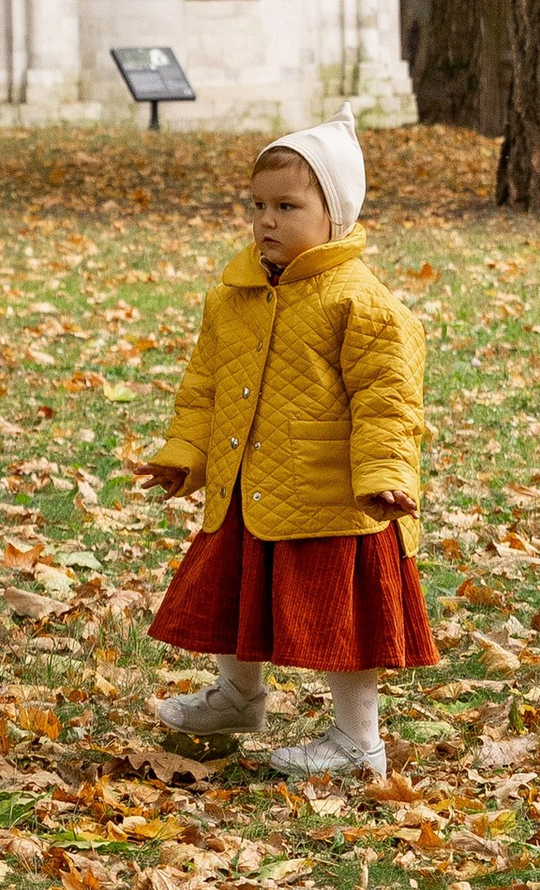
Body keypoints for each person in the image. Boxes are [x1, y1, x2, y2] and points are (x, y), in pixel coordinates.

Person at [135, 111, 434, 782]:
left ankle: (360, 741)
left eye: (287, 205)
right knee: (237, 589)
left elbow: (389, 398)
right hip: (251, 481)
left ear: (336, 214)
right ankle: (239, 696)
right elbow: (206, 384)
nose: (267, 220)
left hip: (334, 493)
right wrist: (185, 452)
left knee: (342, 621)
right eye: (259, 205)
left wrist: (385, 472)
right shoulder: (233, 296)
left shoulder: (361, 302)